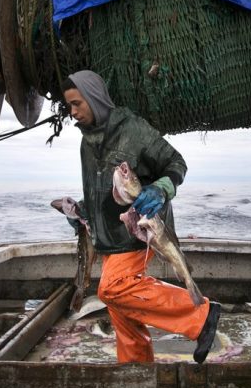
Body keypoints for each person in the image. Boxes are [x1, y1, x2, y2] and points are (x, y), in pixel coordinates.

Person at [62, 70, 220, 364]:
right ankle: (137, 373)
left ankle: (201, 314)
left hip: (137, 231)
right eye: (69, 105)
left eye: (77, 103)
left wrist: (161, 188)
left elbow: (176, 163)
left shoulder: (133, 128)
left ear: (94, 99)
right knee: (126, 322)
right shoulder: (87, 143)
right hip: (107, 236)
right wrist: (83, 212)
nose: (72, 112)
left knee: (112, 288)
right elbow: (99, 190)